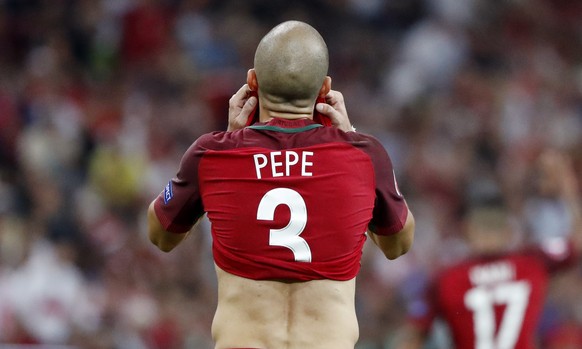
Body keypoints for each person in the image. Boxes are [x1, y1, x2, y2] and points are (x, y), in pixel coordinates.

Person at [146, 20, 415, 349]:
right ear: (325, 89)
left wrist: (229, 146)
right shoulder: (365, 156)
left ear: (252, 82)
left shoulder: (212, 154)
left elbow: (160, 235)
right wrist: (352, 137)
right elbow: (397, 245)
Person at [395, 150, 581, 349]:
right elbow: (577, 242)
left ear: (467, 230)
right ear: (508, 230)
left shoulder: (447, 278)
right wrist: (567, 190)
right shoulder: (531, 263)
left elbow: (410, 337)